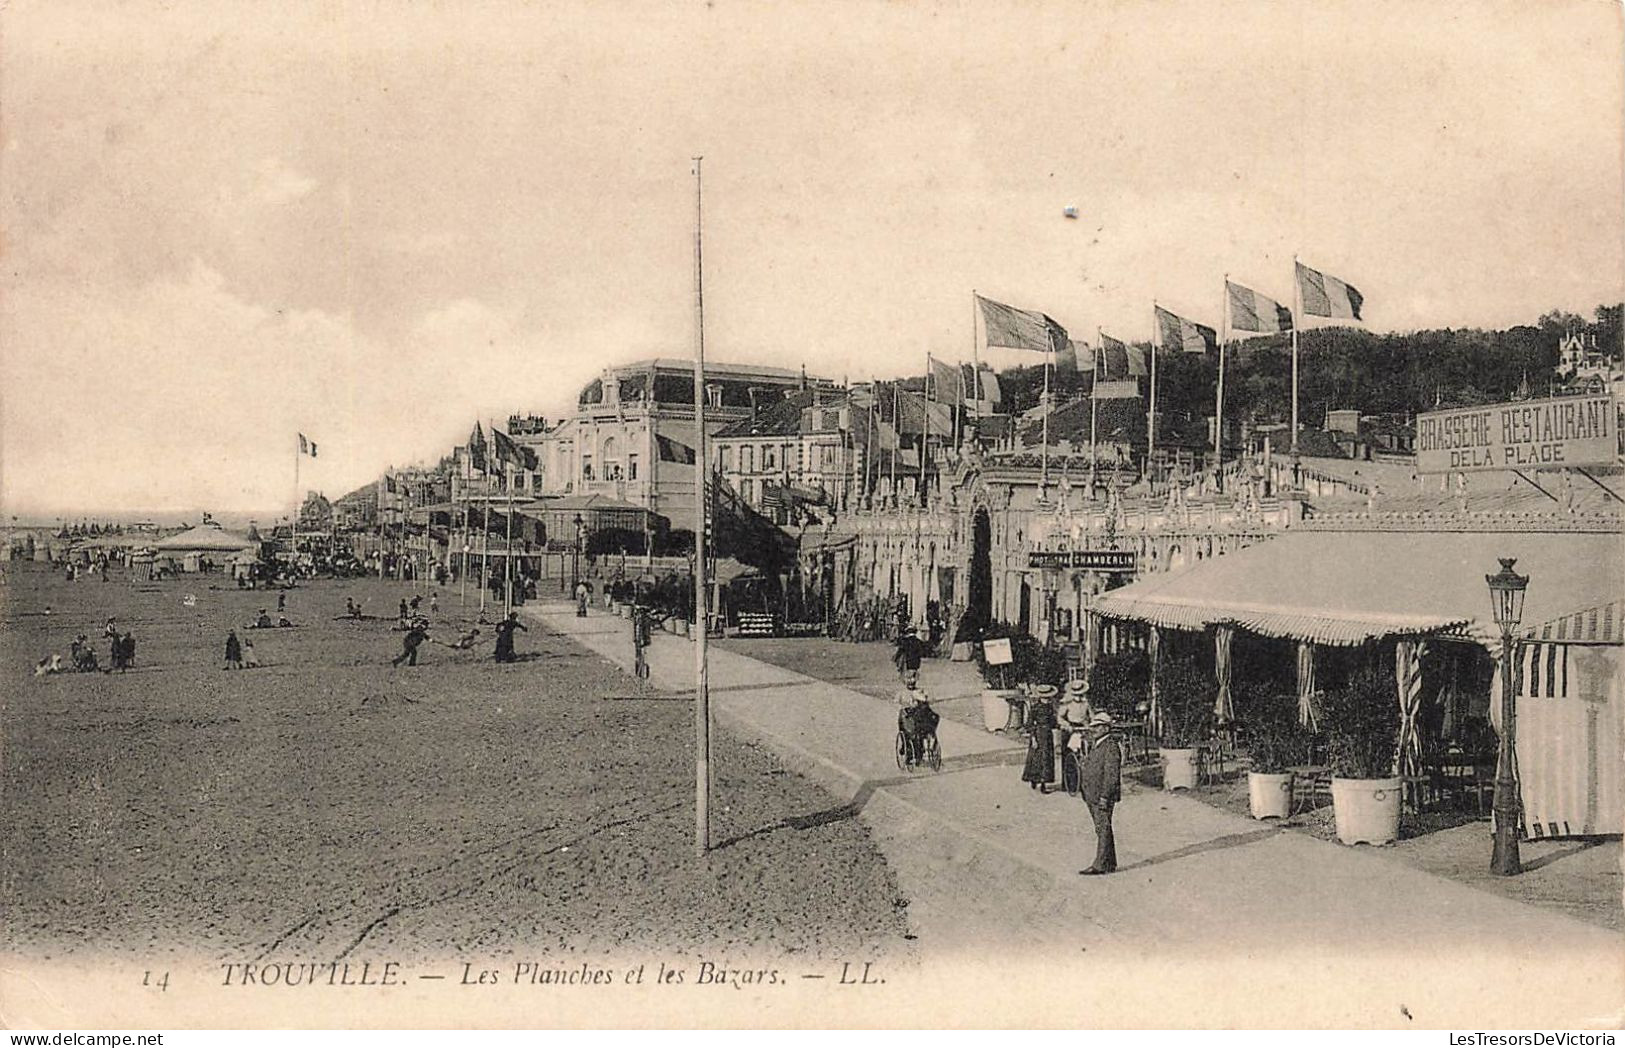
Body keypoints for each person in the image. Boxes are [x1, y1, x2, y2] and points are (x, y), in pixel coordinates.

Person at [1078, 711, 1124, 876]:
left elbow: (1111, 775)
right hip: (1093, 793)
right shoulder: (1097, 743)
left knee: (1103, 828)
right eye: (1093, 727)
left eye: (1098, 726)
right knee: (1101, 828)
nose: (1094, 729)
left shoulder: (1110, 746)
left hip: (1102, 795)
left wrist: (1105, 796)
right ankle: (1108, 862)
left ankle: (1100, 864)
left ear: (1106, 728)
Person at [896, 671, 940, 768]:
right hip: (907, 717)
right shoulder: (902, 693)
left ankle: (924, 748)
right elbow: (898, 704)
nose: (911, 681)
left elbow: (928, 700)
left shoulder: (920, 691)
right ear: (905, 681)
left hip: (918, 718)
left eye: (913, 679)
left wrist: (926, 699)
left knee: (928, 720)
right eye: (908, 679)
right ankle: (908, 751)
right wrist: (907, 705)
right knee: (910, 730)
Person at [1022, 683, 1058, 792]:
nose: (1047, 699)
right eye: (1045, 697)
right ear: (1041, 696)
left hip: (1047, 735)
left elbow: (1053, 722)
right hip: (1038, 734)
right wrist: (1033, 738)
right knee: (1036, 758)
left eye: (1048, 697)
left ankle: (1044, 783)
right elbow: (1029, 724)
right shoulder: (1035, 708)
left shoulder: (1050, 707)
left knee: (1047, 759)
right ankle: (1034, 779)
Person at [1058, 679, 1092, 794]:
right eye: (1076, 694)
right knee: (1068, 755)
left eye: (1080, 694)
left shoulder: (1086, 704)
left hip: (1082, 729)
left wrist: (1091, 724)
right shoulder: (1067, 704)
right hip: (1070, 729)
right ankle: (1068, 783)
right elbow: (1060, 717)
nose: (1078, 696)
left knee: (1085, 755)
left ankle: (1083, 781)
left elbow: (1091, 716)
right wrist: (1067, 725)